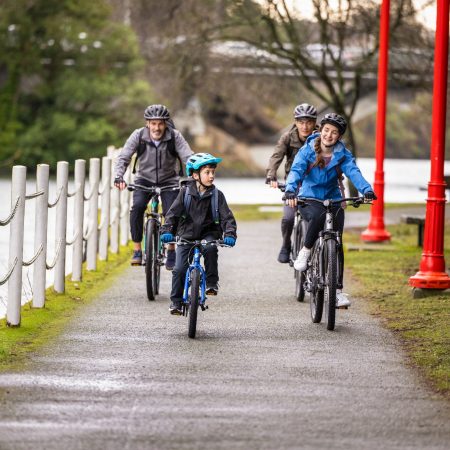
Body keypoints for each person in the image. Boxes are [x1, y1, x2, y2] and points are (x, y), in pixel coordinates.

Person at [284, 113, 376, 307]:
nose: (329, 135)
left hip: (334, 198)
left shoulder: (343, 154)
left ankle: (338, 291)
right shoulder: (307, 151)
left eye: (334, 133)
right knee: (317, 215)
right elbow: (296, 171)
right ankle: (306, 251)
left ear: (339, 137)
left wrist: (366, 190)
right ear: (321, 130)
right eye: (326, 130)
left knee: (337, 241)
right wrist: (291, 190)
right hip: (309, 197)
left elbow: (353, 172)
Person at [114, 104, 193, 269]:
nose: (157, 127)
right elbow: (124, 157)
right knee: (137, 208)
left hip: (169, 180)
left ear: (165, 124)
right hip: (144, 179)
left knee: (172, 212)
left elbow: (188, 157)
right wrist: (119, 176)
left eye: (160, 123)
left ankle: (171, 248)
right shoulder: (138, 136)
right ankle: (137, 250)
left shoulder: (174, 136)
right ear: (147, 123)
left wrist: (195, 175)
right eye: (153, 123)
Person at [160, 153, 237, 315]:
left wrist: (230, 234)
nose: (211, 176)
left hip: (208, 234)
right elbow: (172, 214)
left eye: (213, 172)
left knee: (210, 249)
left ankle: (211, 283)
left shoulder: (217, 195)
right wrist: (167, 231)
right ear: (195, 175)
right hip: (186, 235)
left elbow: (227, 218)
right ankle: (176, 302)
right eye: (207, 172)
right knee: (179, 269)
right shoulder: (185, 193)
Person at [266, 103, 318, 263]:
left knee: (315, 221)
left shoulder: (321, 137)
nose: (305, 126)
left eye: (309, 122)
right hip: (293, 185)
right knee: (288, 218)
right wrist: (271, 175)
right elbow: (276, 156)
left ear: (314, 122)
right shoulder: (288, 137)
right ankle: (286, 245)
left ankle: (314, 251)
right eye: (301, 122)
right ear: (295, 122)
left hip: (314, 185)